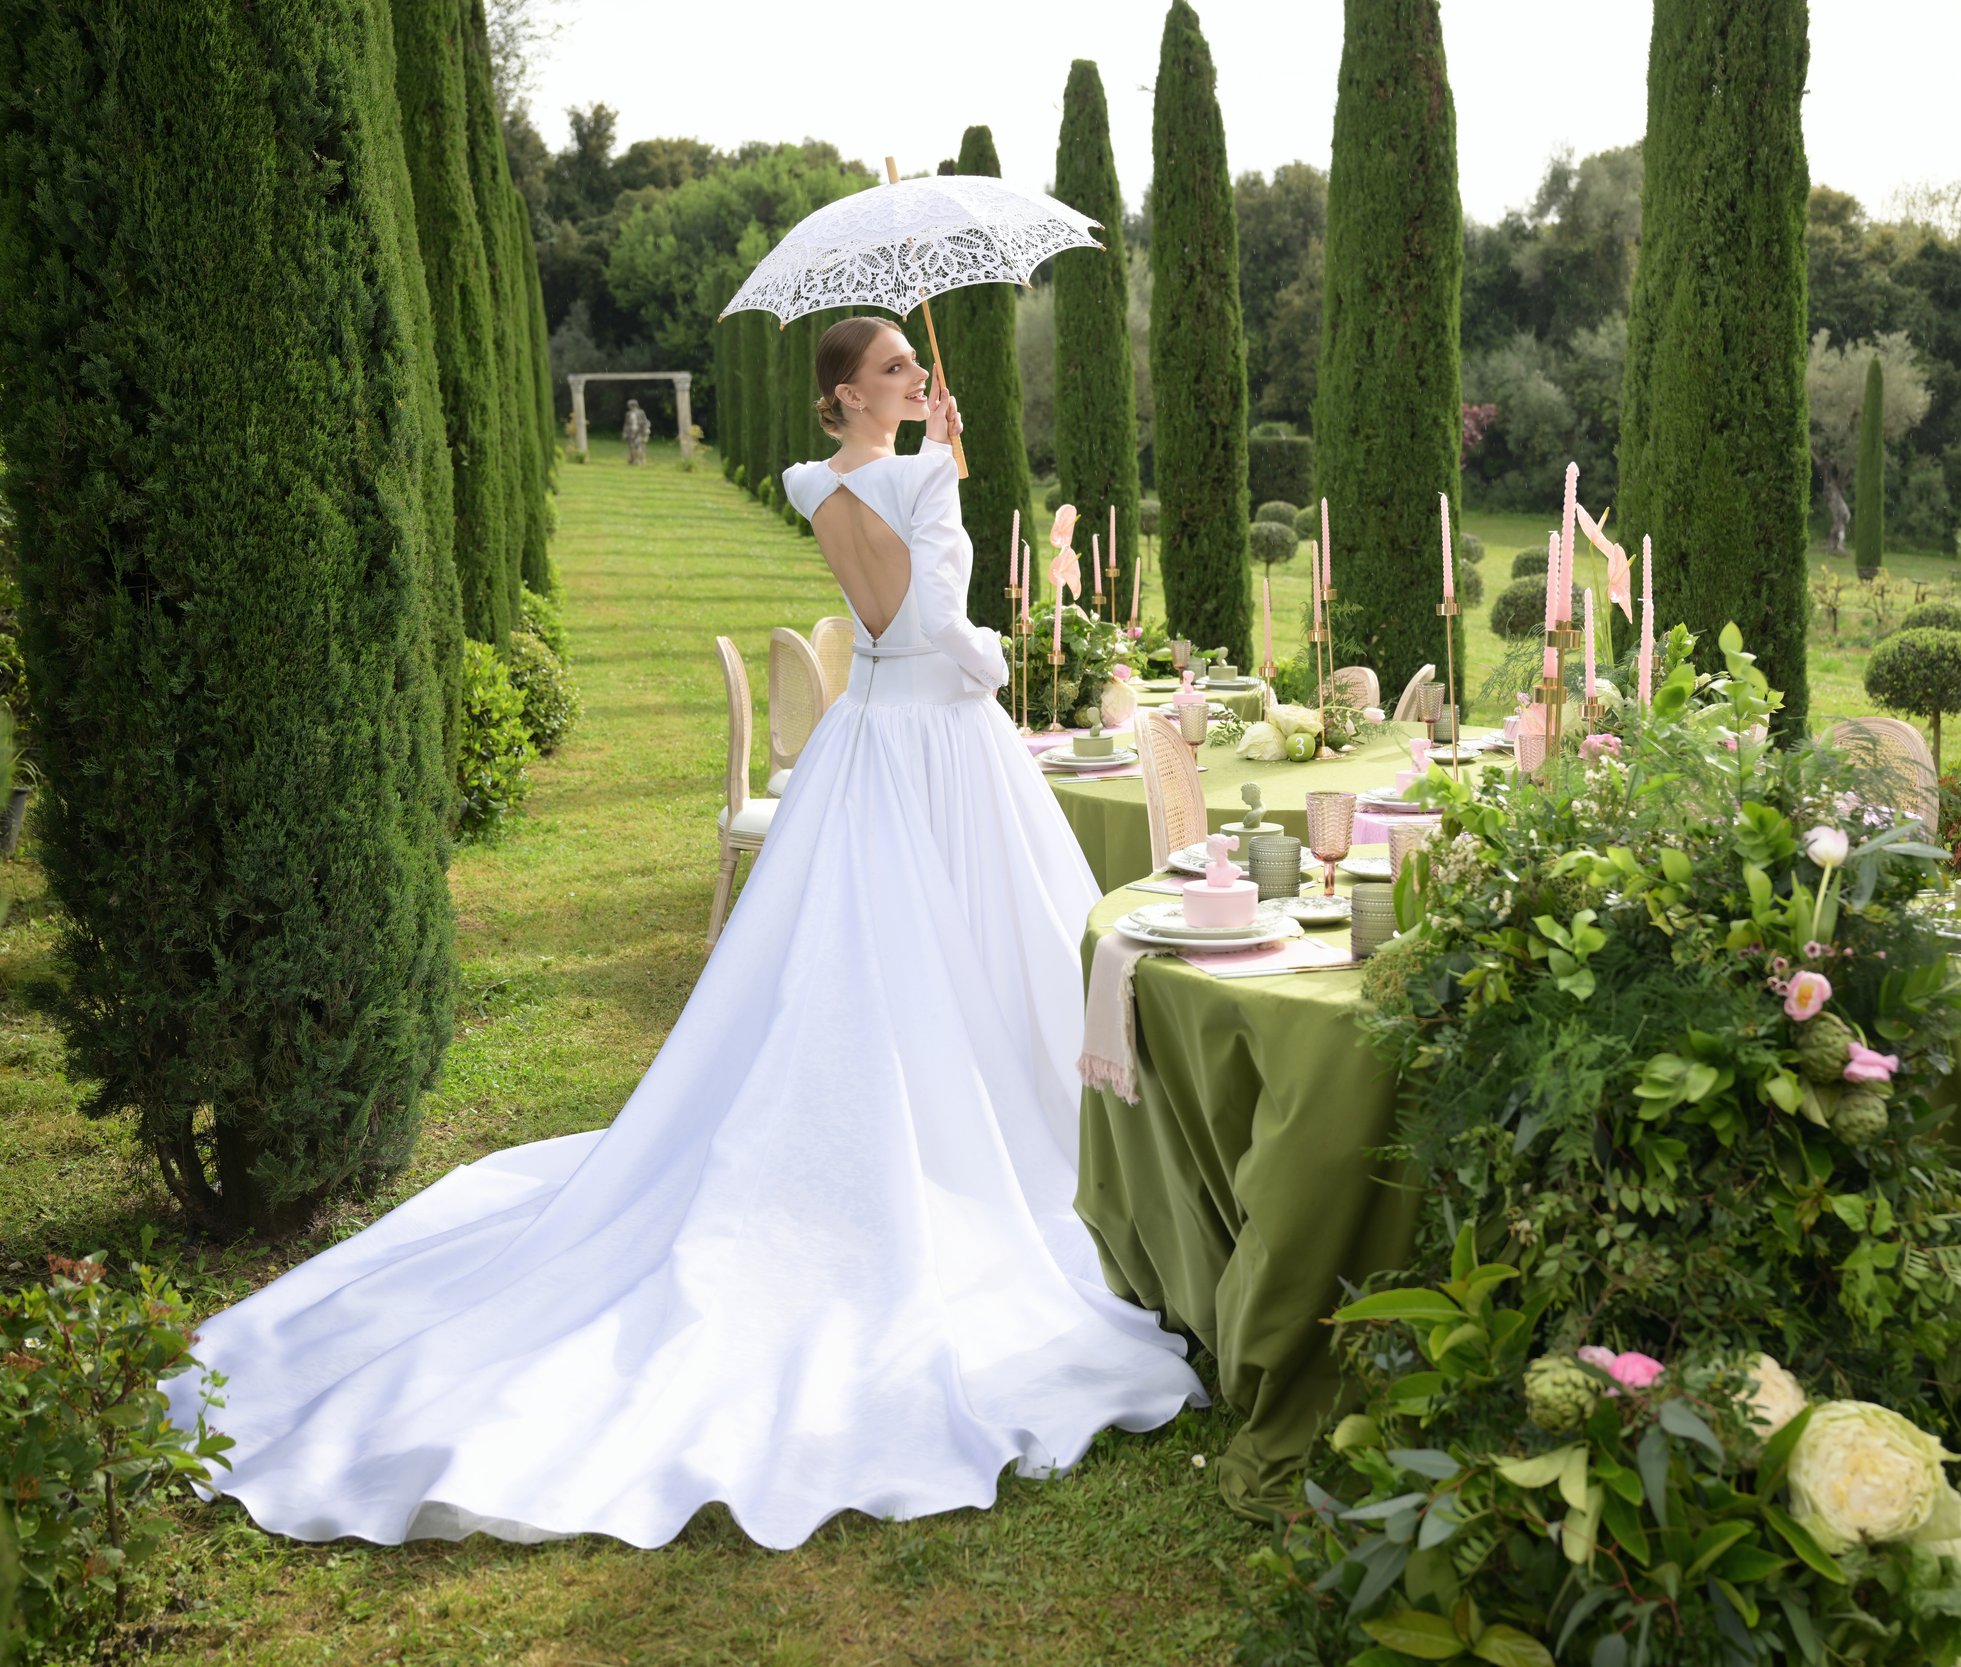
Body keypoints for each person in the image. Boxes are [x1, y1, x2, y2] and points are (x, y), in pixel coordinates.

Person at [165, 315, 1202, 1550]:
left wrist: (940, 474)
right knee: (909, 969)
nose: (913, 377)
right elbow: (908, 627)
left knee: (973, 955)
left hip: (923, 753)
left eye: (911, 366)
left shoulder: (876, 468)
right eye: (889, 369)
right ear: (840, 397)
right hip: (917, 740)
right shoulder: (868, 476)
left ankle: (1001, 1124)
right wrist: (958, 582)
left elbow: (907, 596)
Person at [621, 397, 651, 465]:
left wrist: (645, 431)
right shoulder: (628, 414)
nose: (630, 407)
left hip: (640, 432)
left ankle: (640, 461)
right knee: (631, 447)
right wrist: (625, 433)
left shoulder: (641, 412)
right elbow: (626, 424)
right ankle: (632, 460)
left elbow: (645, 422)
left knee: (639, 446)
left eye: (631, 406)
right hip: (631, 432)